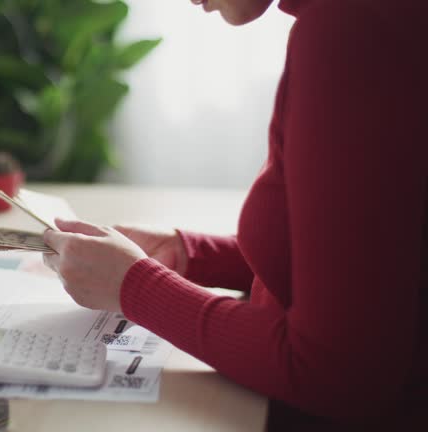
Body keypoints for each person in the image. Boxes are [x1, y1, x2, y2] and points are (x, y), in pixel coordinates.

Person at [42, 0, 427, 430]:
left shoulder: (350, 31)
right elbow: (374, 263)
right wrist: (192, 256)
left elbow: (337, 374)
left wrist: (134, 286)